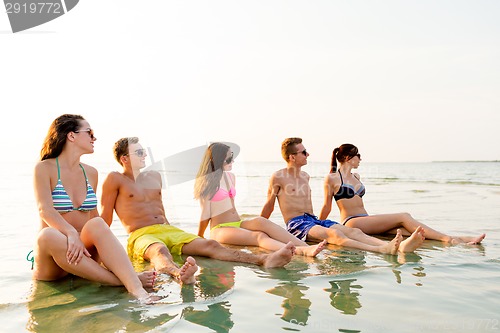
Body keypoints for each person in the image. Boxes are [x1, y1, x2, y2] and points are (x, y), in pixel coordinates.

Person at [100, 137, 294, 286]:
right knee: (160, 251)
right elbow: (105, 219)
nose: (145, 155)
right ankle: (179, 274)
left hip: (168, 230)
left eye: (144, 151)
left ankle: (264, 259)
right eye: (139, 152)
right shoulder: (115, 179)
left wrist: (170, 229)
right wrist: (99, 253)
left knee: (211, 244)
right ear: (124, 158)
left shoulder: (155, 176)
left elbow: (160, 208)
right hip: (141, 234)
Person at [33, 114, 155, 303]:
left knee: (97, 223)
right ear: (71, 136)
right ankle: (126, 282)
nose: (94, 138)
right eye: (89, 132)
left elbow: (95, 220)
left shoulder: (91, 172)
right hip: (54, 261)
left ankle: (138, 291)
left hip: (84, 255)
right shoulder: (44, 168)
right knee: (47, 235)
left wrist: (115, 260)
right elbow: (45, 210)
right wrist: (71, 233)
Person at [261, 137, 425, 254]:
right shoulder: (278, 177)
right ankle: (380, 249)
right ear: (292, 157)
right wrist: (262, 227)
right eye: (304, 152)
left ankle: (394, 246)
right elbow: (269, 205)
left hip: (313, 220)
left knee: (355, 232)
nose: (308, 154)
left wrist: (319, 222)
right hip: (297, 224)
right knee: (335, 235)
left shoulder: (305, 176)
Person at [319, 143, 486, 245]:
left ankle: (460, 240)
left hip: (367, 220)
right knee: (404, 216)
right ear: (349, 158)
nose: (361, 159)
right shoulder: (332, 178)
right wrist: (318, 227)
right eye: (358, 156)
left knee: (411, 233)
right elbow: (327, 206)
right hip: (353, 223)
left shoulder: (356, 176)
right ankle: (448, 240)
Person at [193, 142, 327, 257]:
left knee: (261, 221)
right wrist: (200, 236)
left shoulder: (231, 177)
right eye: (228, 159)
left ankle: (305, 246)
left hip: (237, 223)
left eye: (232, 158)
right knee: (259, 236)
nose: (232, 161)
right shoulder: (207, 183)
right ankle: (300, 251)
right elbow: (205, 213)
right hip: (220, 228)